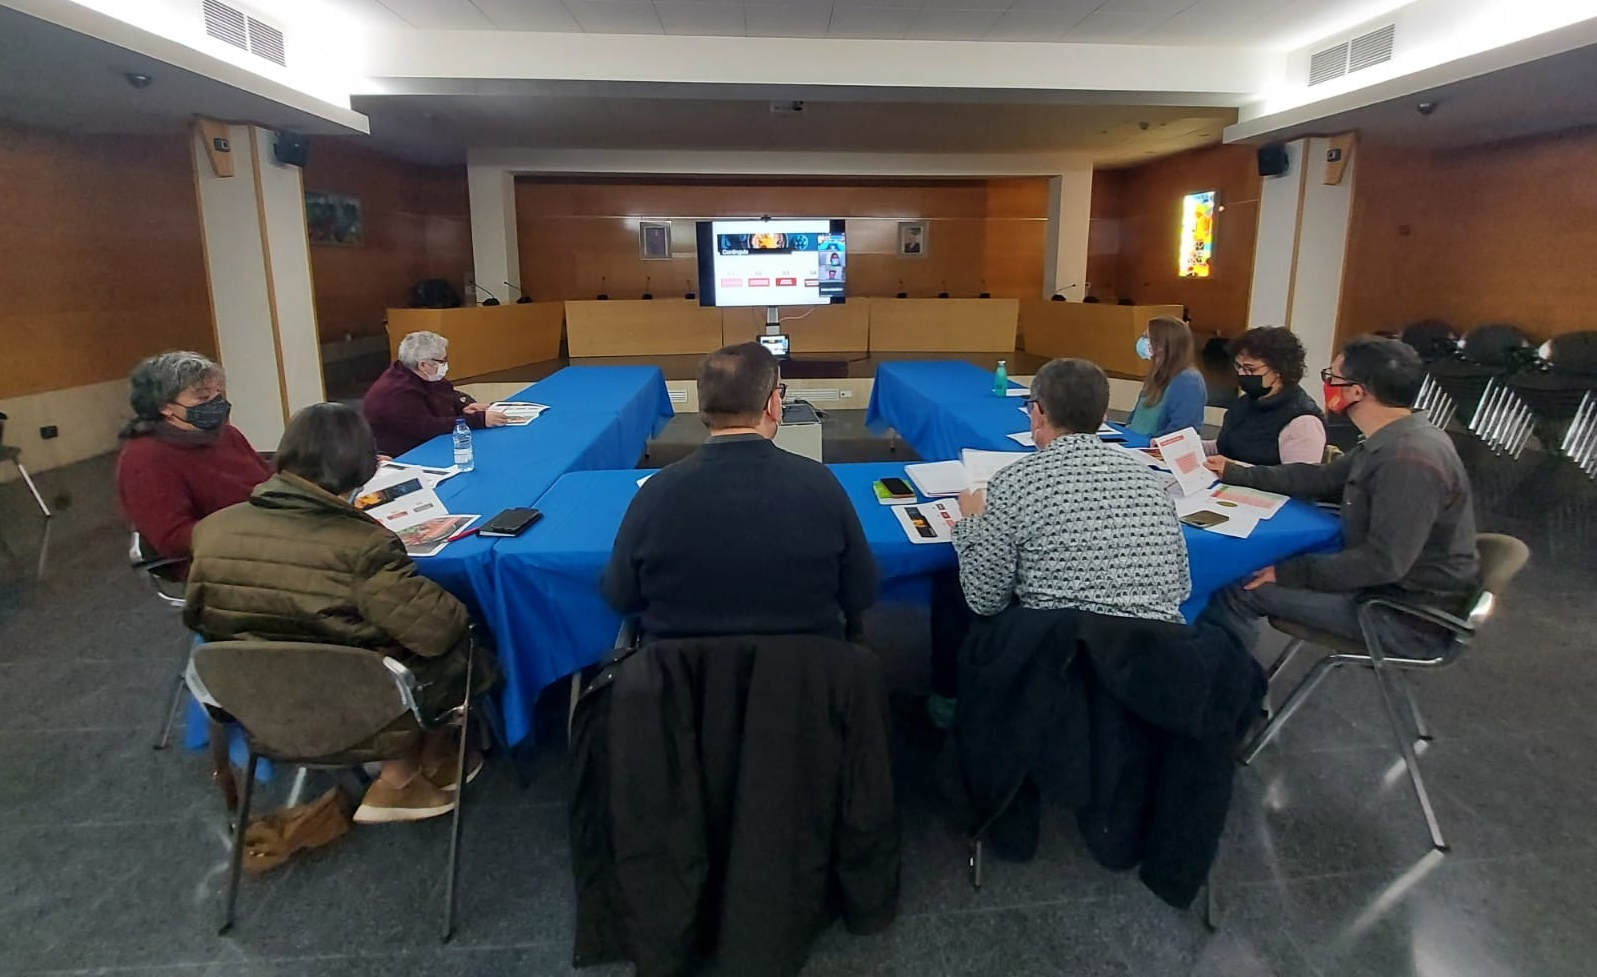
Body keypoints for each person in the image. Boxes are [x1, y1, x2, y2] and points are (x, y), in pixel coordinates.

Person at [185, 403, 488, 824]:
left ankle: (418, 761)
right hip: (355, 704)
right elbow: (437, 631)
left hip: (253, 700)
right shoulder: (363, 545)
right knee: (464, 644)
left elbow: (199, 620)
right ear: (362, 467)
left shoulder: (211, 530)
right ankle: (399, 777)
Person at [928, 358, 1191, 723]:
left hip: (1058, 661)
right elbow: (1181, 586)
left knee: (953, 581)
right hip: (1153, 666)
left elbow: (985, 600)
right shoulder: (1150, 481)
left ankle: (949, 709)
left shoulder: (1016, 480)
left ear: (1037, 413)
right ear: (1101, 415)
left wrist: (971, 523)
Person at [1200, 335, 1479, 657]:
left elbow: (1383, 562)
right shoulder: (1391, 440)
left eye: (1331, 378)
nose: (1327, 385)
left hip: (1403, 613)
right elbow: (1319, 476)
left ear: (1356, 392)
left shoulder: (1408, 460)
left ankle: (1234, 692)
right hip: (1388, 588)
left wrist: (1290, 572)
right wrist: (1237, 473)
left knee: (1236, 589)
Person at [602, 341, 877, 640]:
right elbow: (861, 591)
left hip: (682, 680)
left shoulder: (654, 494)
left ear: (702, 406)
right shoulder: (821, 485)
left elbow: (621, 597)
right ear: (773, 404)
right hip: (805, 678)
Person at [115, 351, 271, 565]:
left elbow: (268, 482)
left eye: (218, 393)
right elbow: (172, 538)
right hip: (214, 558)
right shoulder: (146, 457)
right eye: (203, 397)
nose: (216, 402)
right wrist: (251, 529)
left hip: (264, 536)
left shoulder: (226, 435)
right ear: (165, 407)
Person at [361, 330, 507, 457]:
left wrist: (462, 407)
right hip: (407, 452)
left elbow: (444, 392)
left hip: (429, 442)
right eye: (442, 361)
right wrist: (480, 420)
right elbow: (428, 427)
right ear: (423, 365)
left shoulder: (418, 374)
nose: (445, 365)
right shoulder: (397, 393)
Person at [1207, 326, 1326, 466]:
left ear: (1279, 370)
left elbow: (1298, 478)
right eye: (1239, 367)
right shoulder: (1246, 403)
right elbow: (1224, 446)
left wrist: (1234, 469)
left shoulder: (1303, 421)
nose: (1242, 374)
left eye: (1250, 369)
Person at [1126, 315, 1207, 438]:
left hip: (1155, 450)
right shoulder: (1156, 373)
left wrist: (1150, 443)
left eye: (1146, 337)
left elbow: (1182, 429)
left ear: (1162, 344)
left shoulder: (1189, 381)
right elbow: (1138, 414)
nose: (1141, 341)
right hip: (1134, 443)